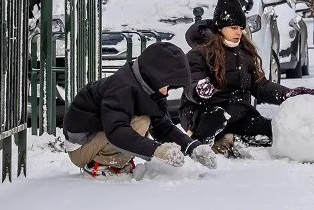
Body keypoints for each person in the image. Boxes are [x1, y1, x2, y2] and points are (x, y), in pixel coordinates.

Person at [181, 0, 314, 157]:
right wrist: (199, 89)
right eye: (233, 28)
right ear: (220, 27)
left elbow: (260, 85)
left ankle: (232, 140)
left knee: (271, 132)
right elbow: (191, 82)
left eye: (240, 28)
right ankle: (204, 146)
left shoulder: (245, 52)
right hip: (204, 115)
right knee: (218, 116)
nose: (238, 32)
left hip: (239, 114)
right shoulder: (199, 53)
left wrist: (287, 94)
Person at [62, 41, 218, 177]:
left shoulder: (147, 88)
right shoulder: (121, 88)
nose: (167, 92)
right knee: (142, 122)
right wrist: (157, 151)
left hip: (98, 138)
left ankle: (110, 160)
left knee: (144, 120)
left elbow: (163, 127)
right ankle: (101, 164)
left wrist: (192, 147)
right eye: (167, 85)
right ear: (155, 75)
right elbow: (116, 130)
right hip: (81, 147)